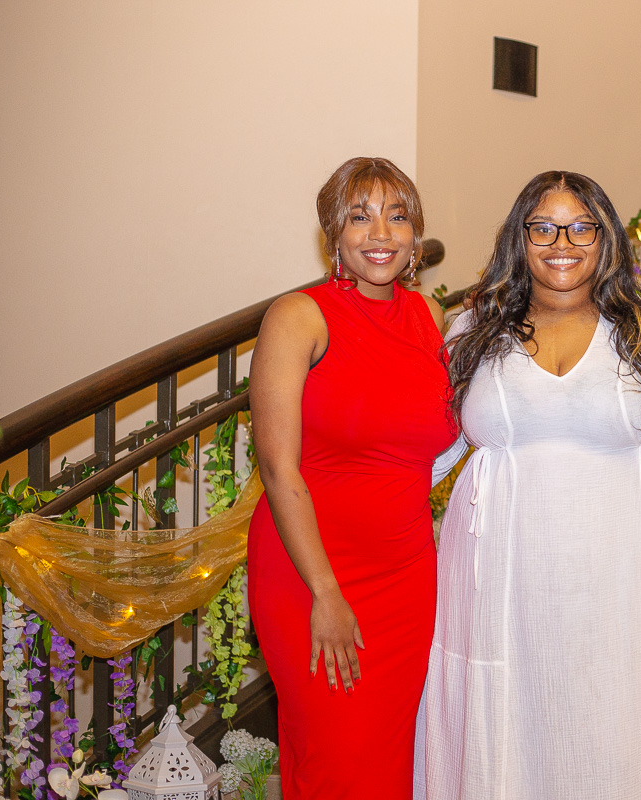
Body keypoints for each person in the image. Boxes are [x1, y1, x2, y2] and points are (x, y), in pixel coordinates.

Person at [415, 171, 641, 800]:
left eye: (580, 228)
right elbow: (430, 453)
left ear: (606, 238)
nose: (561, 243)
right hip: (495, 577)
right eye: (542, 227)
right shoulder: (473, 331)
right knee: (503, 720)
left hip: (613, 585)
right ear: (519, 239)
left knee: (604, 721)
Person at [247, 156, 457, 799]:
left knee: (389, 764)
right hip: (312, 573)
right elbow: (278, 468)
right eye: (360, 217)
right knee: (337, 762)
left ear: (416, 234)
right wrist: (325, 591)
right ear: (333, 233)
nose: (381, 234)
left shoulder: (427, 317)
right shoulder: (298, 316)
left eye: (398, 216)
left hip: (407, 577)